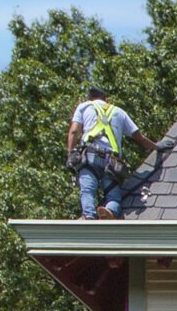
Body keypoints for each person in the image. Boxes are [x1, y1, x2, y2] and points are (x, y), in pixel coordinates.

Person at [67, 89, 159, 219]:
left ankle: (89, 217)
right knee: (113, 195)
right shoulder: (119, 112)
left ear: (90, 98)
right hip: (111, 161)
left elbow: (74, 132)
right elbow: (139, 138)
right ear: (106, 99)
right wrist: (157, 146)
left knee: (87, 190)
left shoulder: (84, 106)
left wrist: (70, 153)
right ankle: (110, 211)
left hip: (90, 156)